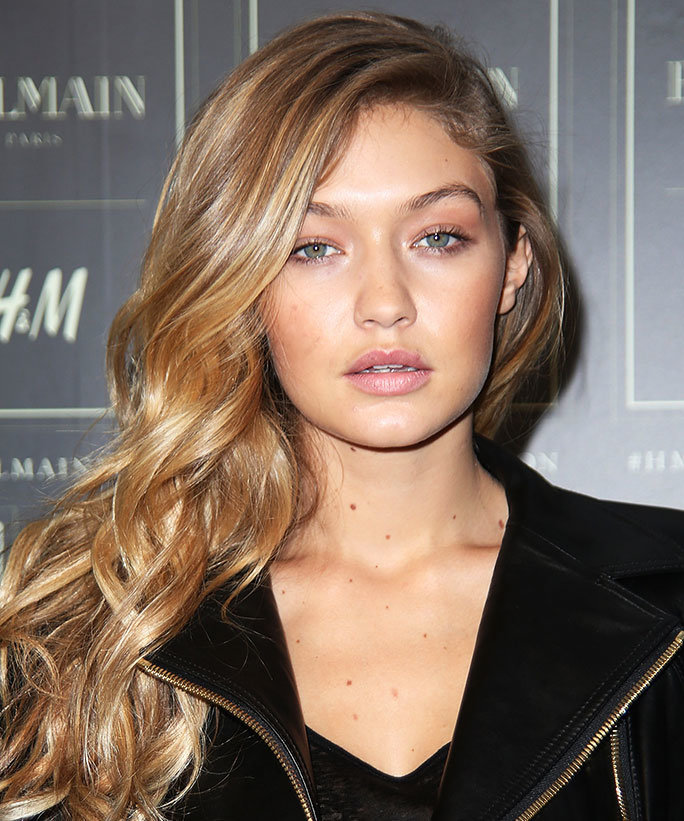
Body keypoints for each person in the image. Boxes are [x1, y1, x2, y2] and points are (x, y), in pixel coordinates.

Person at [1, 11, 683, 821]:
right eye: (314, 247)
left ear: (512, 266)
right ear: (243, 285)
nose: (385, 303)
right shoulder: (86, 639)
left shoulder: (669, 607)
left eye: (438, 237)